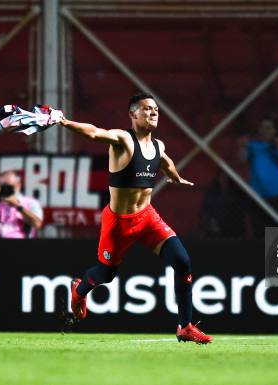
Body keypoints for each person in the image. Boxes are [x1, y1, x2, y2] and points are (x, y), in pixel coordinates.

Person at [58, 92, 212, 344]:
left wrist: (174, 176)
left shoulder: (158, 145)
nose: (153, 113)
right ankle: (79, 290)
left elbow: (165, 160)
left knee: (183, 261)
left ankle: (184, 326)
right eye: (147, 109)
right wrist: (64, 122)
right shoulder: (122, 139)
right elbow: (94, 132)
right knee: (106, 275)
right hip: (119, 223)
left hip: (147, 218)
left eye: (156, 110)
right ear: (132, 115)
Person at [239, 117, 278, 237]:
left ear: (275, 130)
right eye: (262, 128)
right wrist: (243, 146)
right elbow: (241, 161)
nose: (265, 131)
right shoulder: (253, 146)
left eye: (268, 128)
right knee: (258, 232)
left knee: (277, 233)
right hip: (257, 196)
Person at [0, 170, 43, 238]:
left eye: (10, 186)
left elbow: (37, 224)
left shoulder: (30, 202)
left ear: (19, 185)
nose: (7, 189)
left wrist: (18, 207)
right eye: (3, 186)